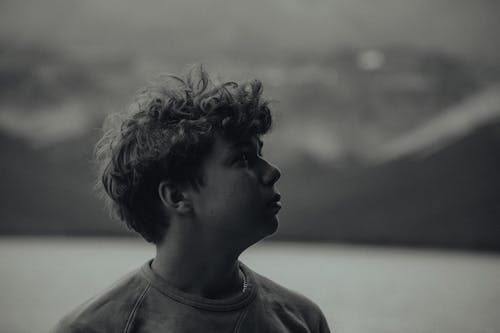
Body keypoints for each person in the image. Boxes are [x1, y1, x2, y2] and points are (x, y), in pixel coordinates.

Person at [53, 65, 332, 332]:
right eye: (243, 158)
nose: (272, 172)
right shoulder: (91, 328)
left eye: (260, 154)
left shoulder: (303, 321)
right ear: (176, 196)